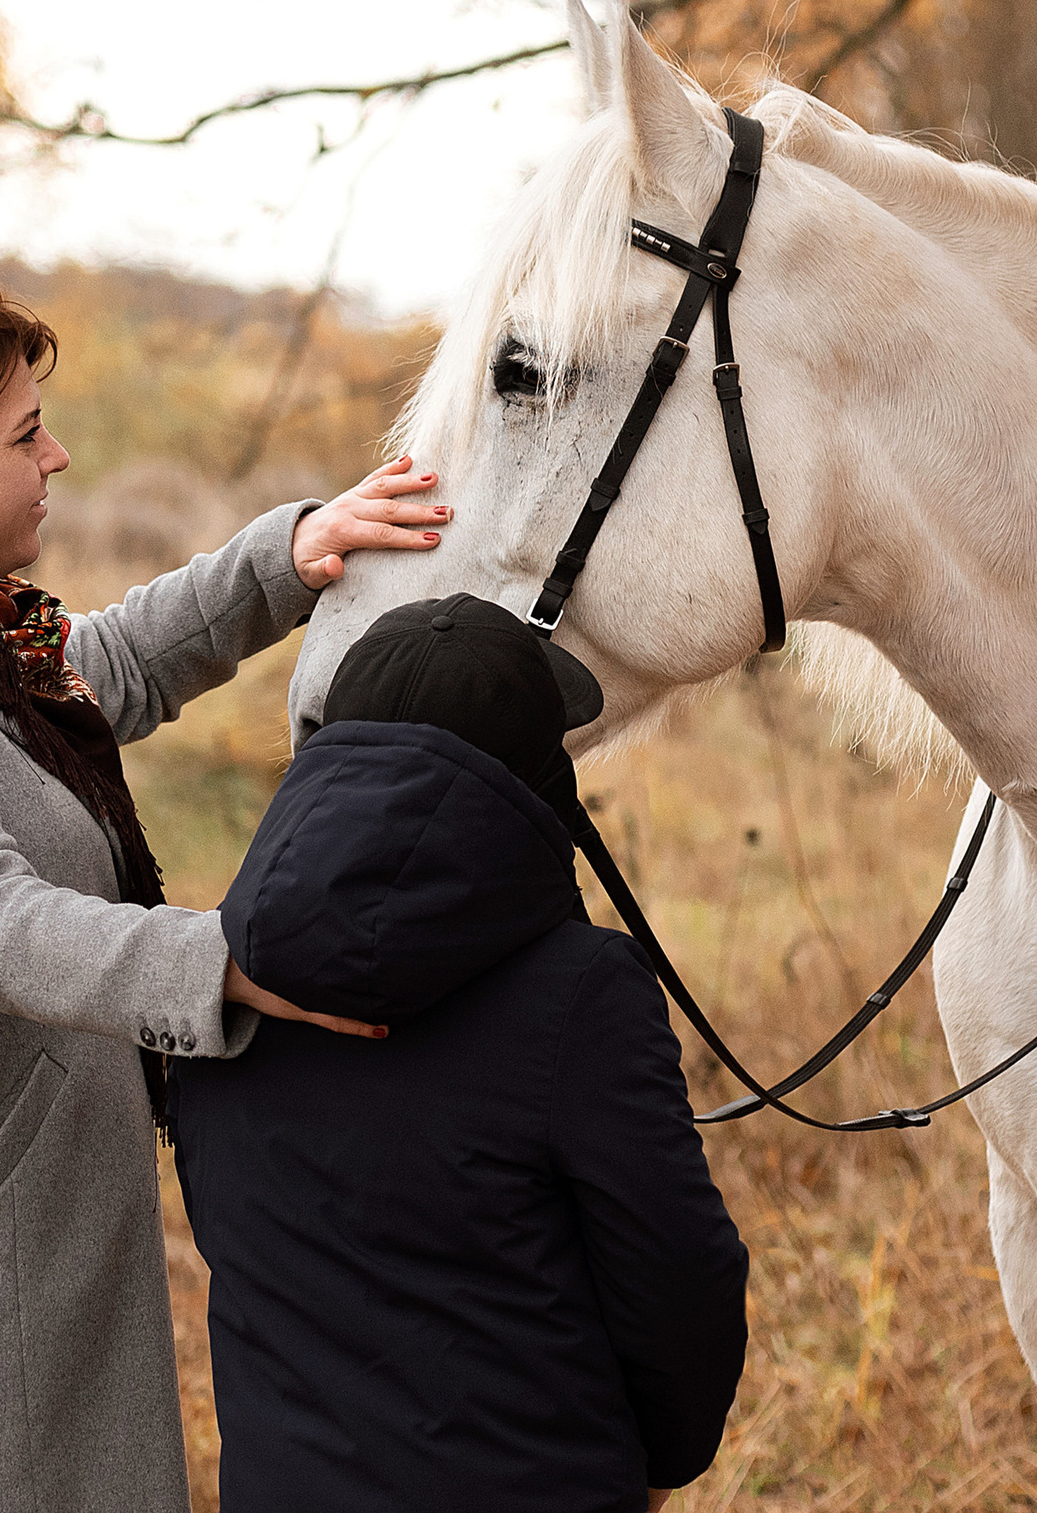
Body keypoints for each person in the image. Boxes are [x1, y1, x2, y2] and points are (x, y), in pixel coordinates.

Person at [0, 274, 450, 1513]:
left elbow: (103, 665)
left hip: (23, 1251)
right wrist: (222, 961)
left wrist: (289, 555)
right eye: (22, 432)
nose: (58, 453)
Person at [171, 592, 751, 1513]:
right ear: (530, 780)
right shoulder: (583, 993)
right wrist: (654, 1462)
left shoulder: (216, 973)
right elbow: (680, 1277)